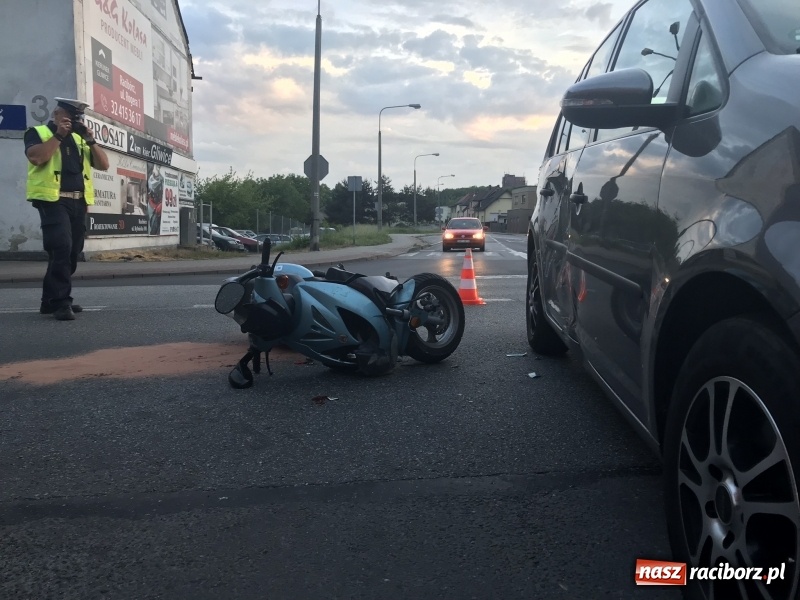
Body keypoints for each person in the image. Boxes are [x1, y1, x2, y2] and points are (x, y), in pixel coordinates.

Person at [24, 97, 110, 321]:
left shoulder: (80, 139)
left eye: (75, 117)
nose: (71, 121)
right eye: (68, 116)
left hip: (78, 202)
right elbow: (37, 158)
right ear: (56, 114)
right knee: (61, 247)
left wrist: (90, 140)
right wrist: (59, 135)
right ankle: (62, 302)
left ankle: (49, 301)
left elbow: (103, 165)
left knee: (72, 252)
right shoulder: (38, 133)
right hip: (53, 200)